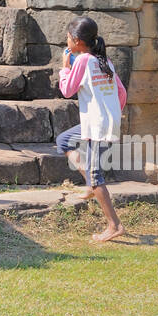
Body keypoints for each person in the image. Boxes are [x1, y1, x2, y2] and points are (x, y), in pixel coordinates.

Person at [56, 16, 127, 242]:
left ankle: (114, 225)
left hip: (98, 125)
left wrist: (65, 68)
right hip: (103, 122)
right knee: (65, 141)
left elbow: (67, 90)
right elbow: (121, 94)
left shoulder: (84, 61)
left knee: (97, 177)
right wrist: (112, 114)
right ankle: (90, 185)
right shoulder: (104, 61)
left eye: (68, 38)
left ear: (77, 41)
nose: (67, 42)